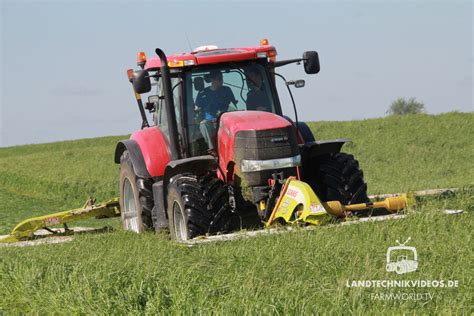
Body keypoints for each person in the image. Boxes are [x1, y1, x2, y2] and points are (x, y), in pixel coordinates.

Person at [195, 70, 237, 151]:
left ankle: (234, 148)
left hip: (225, 120)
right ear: (212, 80)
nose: (222, 81)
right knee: (203, 124)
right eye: (219, 79)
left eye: (222, 78)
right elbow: (197, 109)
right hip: (209, 122)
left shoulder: (227, 90)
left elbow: (234, 105)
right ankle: (212, 149)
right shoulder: (202, 93)